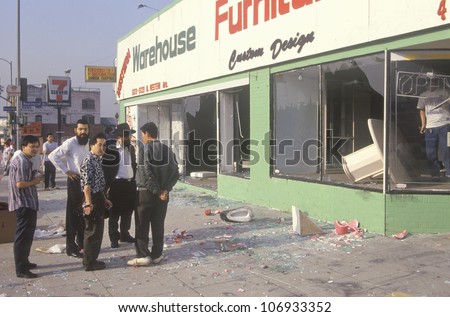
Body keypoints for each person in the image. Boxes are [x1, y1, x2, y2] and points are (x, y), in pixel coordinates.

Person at [127, 122, 179, 266]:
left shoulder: (145, 149)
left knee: (142, 224)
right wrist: (165, 190)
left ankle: (143, 254)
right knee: (158, 224)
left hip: (146, 193)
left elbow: (145, 172)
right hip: (163, 195)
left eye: (142, 134)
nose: (141, 137)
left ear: (146, 133)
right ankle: (157, 254)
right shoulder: (167, 150)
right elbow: (175, 173)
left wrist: (157, 191)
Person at [49, 119, 90, 258]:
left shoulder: (88, 142)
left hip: (87, 182)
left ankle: (82, 245)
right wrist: (66, 171)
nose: (83, 132)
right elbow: (53, 156)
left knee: (85, 215)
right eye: (80, 129)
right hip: (75, 180)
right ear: (75, 130)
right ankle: (71, 248)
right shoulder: (70, 143)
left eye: (85, 129)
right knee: (73, 216)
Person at [8, 135, 42, 278]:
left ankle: (24, 261)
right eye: (31, 146)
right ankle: (21, 269)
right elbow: (20, 184)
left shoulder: (26, 160)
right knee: (22, 236)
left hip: (28, 203)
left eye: (36, 146)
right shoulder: (22, 161)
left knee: (28, 235)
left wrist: (35, 175)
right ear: (23, 147)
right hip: (23, 203)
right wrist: (35, 181)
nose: (34, 149)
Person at [80, 133, 112, 271]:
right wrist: (88, 203)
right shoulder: (88, 160)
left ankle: (93, 259)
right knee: (91, 231)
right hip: (91, 199)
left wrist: (104, 199)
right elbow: (86, 185)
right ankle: (88, 262)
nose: (102, 147)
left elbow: (97, 183)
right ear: (92, 145)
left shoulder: (97, 159)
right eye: (99, 144)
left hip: (98, 197)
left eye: (104, 145)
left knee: (97, 231)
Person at [103, 123, 137, 248]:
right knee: (114, 213)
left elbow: (133, 165)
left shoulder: (131, 148)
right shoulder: (111, 149)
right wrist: (105, 187)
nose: (128, 138)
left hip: (129, 184)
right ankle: (114, 238)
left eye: (129, 136)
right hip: (116, 184)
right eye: (125, 136)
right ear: (118, 136)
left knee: (128, 211)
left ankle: (125, 234)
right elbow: (106, 169)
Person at [418, 78, 450, 179]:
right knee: (430, 152)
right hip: (430, 127)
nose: (431, 84)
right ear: (426, 83)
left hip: (445, 124)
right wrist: (423, 124)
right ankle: (435, 174)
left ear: (436, 83)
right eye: (429, 82)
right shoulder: (423, 95)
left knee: (447, 149)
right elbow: (421, 110)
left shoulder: (444, 92)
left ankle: (449, 172)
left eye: (433, 82)